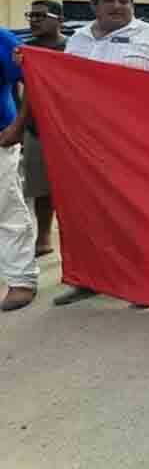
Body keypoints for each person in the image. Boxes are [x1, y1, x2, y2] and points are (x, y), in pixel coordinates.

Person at [55, 0, 149, 307]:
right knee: (88, 212)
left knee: (138, 214)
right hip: (85, 142)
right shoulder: (78, 40)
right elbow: (63, 84)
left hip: (136, 144)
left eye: (124, 0)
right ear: (93, 5)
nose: (117, 6)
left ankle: (147, 280)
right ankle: (88, 278)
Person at [2, 1, 66, 258]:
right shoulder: (24, 50)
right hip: (36, 128)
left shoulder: (75, 47)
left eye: (41, 15)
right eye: (31, 15)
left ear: (59, 19)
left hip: (68, 130)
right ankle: (43, 236)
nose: (34, 20)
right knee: (39, 188)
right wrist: (19, 125)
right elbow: (23, 89)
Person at [0, 26, 37, 312]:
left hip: (0, 136)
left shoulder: (2, 38)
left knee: (6, 209)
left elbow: (34, 79)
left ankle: (21, 280)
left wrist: (17, 127)